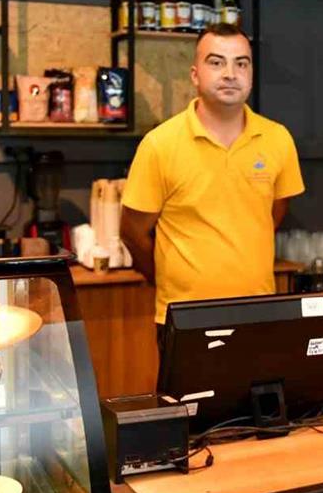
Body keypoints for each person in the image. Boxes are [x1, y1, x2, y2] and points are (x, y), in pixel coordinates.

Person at [121, 23, 305, 343]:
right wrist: (166, 279)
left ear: (251, 73)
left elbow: (272, 214)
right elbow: (132, 232)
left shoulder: (278, 139)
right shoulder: (159, 145)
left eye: (241, 64)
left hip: (258, 313)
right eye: (217, 62)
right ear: (195, 75)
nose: (230, 74)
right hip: (185, 318)